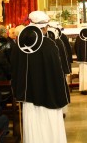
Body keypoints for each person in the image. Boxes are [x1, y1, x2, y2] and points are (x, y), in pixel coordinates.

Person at [11, 11, 70, 143]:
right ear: (45, 27)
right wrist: (60, 92)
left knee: (32, 125)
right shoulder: (49, 45)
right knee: (49, 126)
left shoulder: (18, 45)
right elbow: (57, 72)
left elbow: (14, 70)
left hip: (28, 97)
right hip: (48, 95)